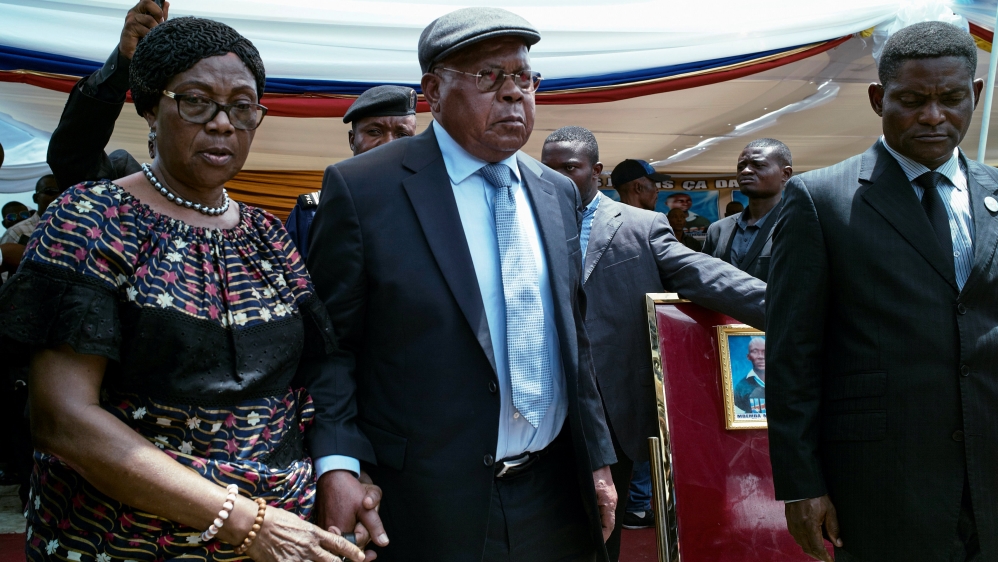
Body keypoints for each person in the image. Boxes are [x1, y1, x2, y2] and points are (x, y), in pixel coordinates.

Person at [0, 17, 367, 562]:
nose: (223, 124)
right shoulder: (94, 219)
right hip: (126, 539)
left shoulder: (267, 235)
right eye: (196, 102)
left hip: (285, 536)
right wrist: (246, 521)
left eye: (243, 107)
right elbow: (62, 419)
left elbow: (319, 372)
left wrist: (340, 474)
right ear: (150, 108)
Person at [305, 9, 618, 561]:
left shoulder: (555, 193)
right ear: (432, 89)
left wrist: (596, 459)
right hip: (424, 501)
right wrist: (338, 464)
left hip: (553, 491)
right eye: (487, 77)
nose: (512, 95)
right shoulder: (364, 189)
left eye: (523, 78)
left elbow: (574, 340)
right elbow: (331, 349)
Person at [767, 21, 997, 562]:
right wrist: (802, 484)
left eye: (951, 99)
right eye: (912, 100)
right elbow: (792, 354)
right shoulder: (820, 199)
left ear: (977, 96)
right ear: (878, 99)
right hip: (879, 481)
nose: (934, 116)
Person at [541, 126, 766, 561]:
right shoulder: (522, 220)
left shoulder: (642, 227)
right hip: (539, 405)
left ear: (596, 171)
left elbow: (708, 276)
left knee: (604, 532)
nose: (557, 179)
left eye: (569, 168)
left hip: (613, 410)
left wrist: (796, 313)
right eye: (548, 169)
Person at [285, 85, 417, 262]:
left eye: (402, 134)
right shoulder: (312, 214)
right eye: (375, 131)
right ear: (352, 140)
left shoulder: (429, 210)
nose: (388, 144)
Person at [46, 1, 167, 189]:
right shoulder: (124, 184)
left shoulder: (230, 213)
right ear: (153, 118)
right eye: (196, 101)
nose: (220, 122)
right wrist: (121, 68)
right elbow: (72, 158)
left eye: (230, 106)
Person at [702, 139, 793, 282]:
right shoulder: (718, 230)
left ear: (785, 174)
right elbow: (705, 279)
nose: (746, 171)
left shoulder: (797, 226)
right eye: (741, 166)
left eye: (758, 165)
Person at [0, 175, 61, 245]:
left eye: (63, 192)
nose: (58, 196)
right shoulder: (17, 232)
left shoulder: (74, 226)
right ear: (36, 198)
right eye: (50, 191)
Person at [732, 337, 765, 414]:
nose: (760, 356)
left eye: (764, 351)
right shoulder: (740, 387)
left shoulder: (782, 380)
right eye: (755, 351)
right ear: (748, 357)